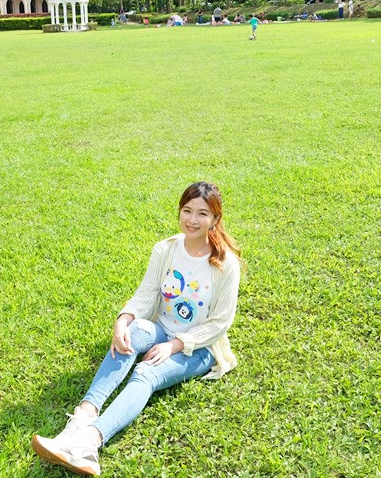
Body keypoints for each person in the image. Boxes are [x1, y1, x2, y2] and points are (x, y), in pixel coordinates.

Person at [31, 182, 243, 476]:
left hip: (199, 348)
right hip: (161, 327)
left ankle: (89, 445)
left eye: (202, 214)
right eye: (187, 211)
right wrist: (123, 320)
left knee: (146, 373)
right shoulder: (166, 249)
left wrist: (175, 345)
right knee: (135, 332)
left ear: (215, 219)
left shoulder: (225, 264)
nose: (192, 220)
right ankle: (82, 417)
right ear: (179, 211)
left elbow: (220, 323)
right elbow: (146, 294)